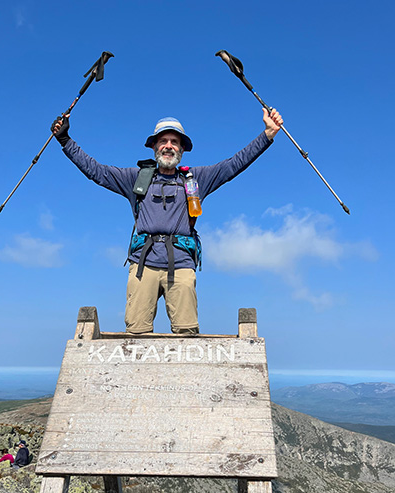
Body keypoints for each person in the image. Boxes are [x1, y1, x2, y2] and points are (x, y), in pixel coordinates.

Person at [51, 108, 283, 335]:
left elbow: (234, 164)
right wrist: (65, 140)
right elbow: (96, 171)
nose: (168, 146)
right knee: (136, 334)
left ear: (182, 148)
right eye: (163, 141)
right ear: (154, 146)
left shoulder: (197, 178)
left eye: (174, 141)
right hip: (143, 264)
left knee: (186, 334)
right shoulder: (136, 178)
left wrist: (268, 135)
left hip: (181, 264)